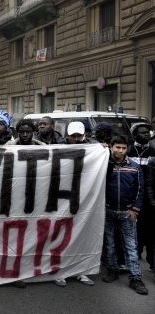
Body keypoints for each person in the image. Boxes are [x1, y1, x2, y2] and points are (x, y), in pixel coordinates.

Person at [102, 135, 148, 294]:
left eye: (123, 148)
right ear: (111, 147)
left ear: (127, 148)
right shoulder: (103, 165)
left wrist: (135, 210)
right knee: (109, 243)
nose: (120, 151)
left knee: (131, 245)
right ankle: (112, 270)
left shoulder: (135, 167)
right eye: (117, 147)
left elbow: (140, 191)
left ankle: (135, 278)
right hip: (108, 210)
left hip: (127, 213)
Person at [53, 121, 94, 287]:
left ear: (83, 136)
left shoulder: (92, 150)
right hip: (62, 198)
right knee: (61, 236)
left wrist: (103, 150)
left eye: (79, 136)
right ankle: (59, 271)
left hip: (82, 199)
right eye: (73, 136)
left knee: (81, 234)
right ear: (67, 136)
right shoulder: (57, 149)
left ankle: (80, 271)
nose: (76, 139)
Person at [127, 123, 155, 274]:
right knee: (134, 227)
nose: (147, 134)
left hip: (148, 196)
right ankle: (134, 254)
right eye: (143, 132)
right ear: (134, 135)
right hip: (132, 195)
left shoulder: (153, 150)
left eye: (148, 132)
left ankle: (152, 261)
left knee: (150, 229)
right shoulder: (129, 149)